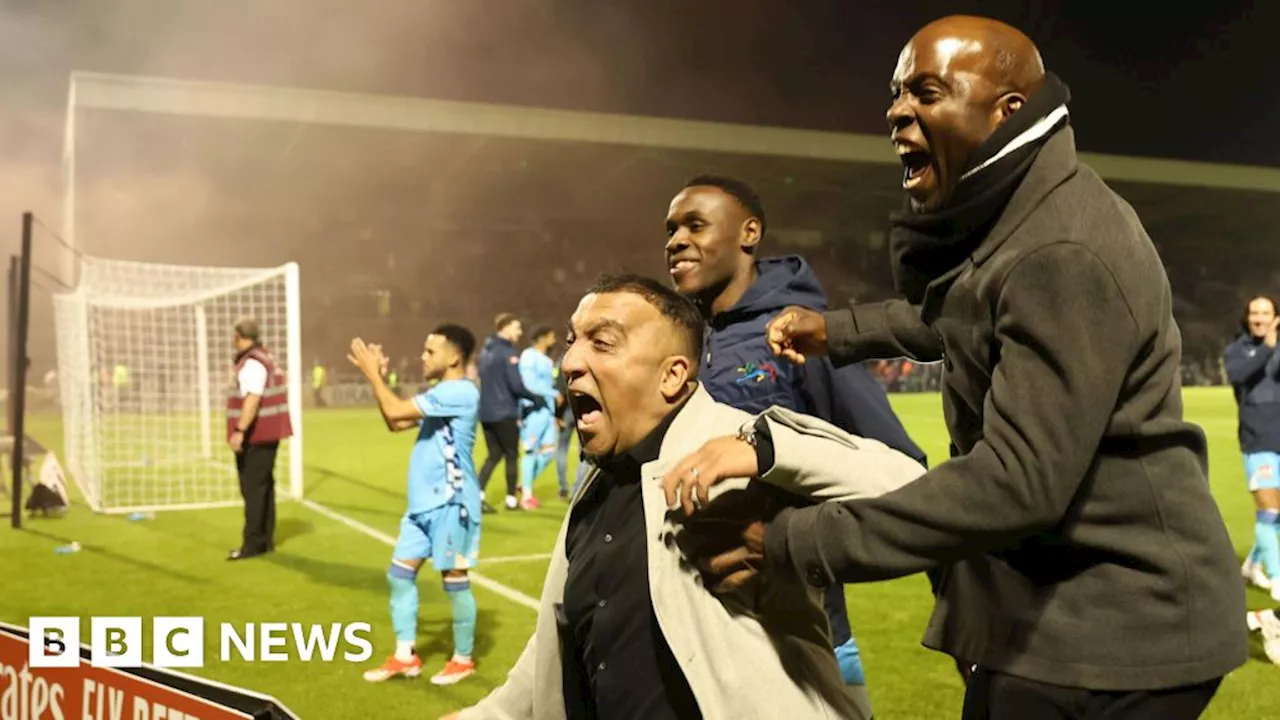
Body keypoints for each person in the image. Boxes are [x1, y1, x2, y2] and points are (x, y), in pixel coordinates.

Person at [678, 15, 1246, 719]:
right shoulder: (1023, 220)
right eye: (895, 94)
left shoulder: (1058, 249)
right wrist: (841, 332)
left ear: (1007, 110)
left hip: (1117, 628)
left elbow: (1014, 483)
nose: (895, 111)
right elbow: (964, 309)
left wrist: (794, 539)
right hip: (1066, 609)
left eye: (926, 91)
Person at [441, 274, 926, 720]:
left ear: (672, 375)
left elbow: (916, 496)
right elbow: (564, 642)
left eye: (601, 343)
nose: (569, 362)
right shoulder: (598, 485)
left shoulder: (740, 447)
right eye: (572, 341)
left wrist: (771, 449)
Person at [664, 173, 927, 691]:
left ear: (749, 232)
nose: (675, 241)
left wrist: (794, 543)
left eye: (695, 225)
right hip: (696, 633)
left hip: (803, 637)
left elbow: (903, 473)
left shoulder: (799, 333)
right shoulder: (676, 341)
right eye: (671, 229)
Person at [349, 325, 484, 686]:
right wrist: (377, 380)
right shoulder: (442, 393)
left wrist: (373, 374)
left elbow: (394, 412)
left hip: (452, 504)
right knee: (399, 575)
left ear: (453, 357)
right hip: (423, 508)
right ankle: (406, 656)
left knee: (454, 579)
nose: (421, 357)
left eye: (429, 351)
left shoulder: (459, 392)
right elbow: (395, 422)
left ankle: (463, 658)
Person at [1226, 296, 1280, 594]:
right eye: (1255, 313)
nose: (1260, 318)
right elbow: (1239, 375)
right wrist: (1268, 348)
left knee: (1279, 515)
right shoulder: (1237, 351)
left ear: (1275, 317)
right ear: (1247, 317)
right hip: (1258, 441)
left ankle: (1252, 564)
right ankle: (1277, 577)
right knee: (1269, 512)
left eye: (1266, 313)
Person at [226, 318, 293, 561]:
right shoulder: (266, 357)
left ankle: (252, 544)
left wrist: (240, 430)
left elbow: (252, 399)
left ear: (240, 337)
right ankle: (265, 540)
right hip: (269, 432)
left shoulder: (251, 363)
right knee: (264, 488)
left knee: (253, 489)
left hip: (256, 434)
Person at [476, 313, 543, 512]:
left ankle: (477, 496)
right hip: (504, 411)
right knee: (512, 454)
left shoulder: (486, 351)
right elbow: (516, 386)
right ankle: (511, 501)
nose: (520, 332)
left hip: (486, 412)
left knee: (494, 454)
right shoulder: (508, 353)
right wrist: (535, 398)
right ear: (504, 328)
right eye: (516, 327)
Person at [517, 326, 559, 509]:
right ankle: (526, 496)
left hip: (547, 411)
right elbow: (529, 384)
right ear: (542, 337)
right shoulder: (528, 356)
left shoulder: (546, 360)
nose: (554, 339)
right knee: (530, 451)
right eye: (551, 335)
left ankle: (524, 483)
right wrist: (553, 392)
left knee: (549, 452)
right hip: (533, 410)